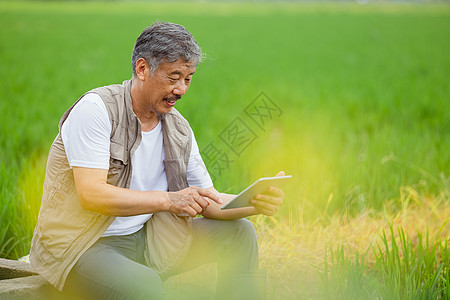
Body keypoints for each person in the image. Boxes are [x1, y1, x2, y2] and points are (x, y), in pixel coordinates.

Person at [30, 21, 285, 300]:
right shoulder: (96, 110)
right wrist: (168, 200)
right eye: (173, 77)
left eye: (188, 79)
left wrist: (253, 202)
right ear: (142, 69)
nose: (181, 89)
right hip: (84, 247)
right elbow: (91, 195)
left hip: (148, 240)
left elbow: (205, 200)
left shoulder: (178, 128)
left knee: (240, 234)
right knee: (145, 285)